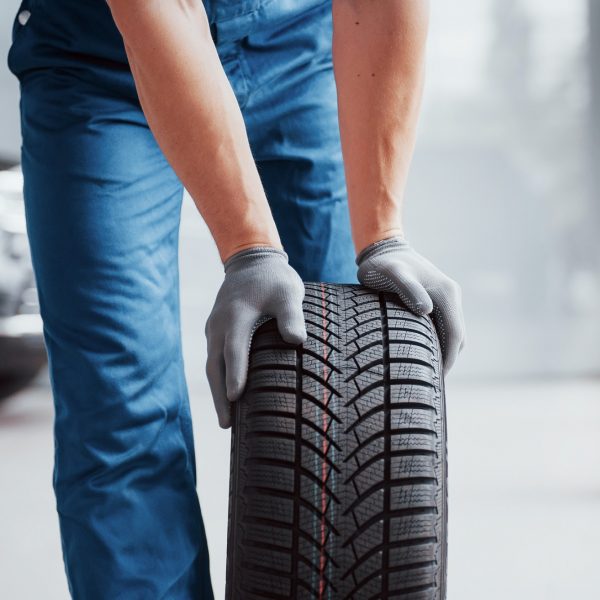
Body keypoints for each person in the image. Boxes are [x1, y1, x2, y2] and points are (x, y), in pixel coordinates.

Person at [7, 0, 465, 597]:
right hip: (102, 64)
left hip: (297, 47)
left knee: (345, 388)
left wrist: (383, 234)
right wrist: (251, 248)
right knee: (123, 412)